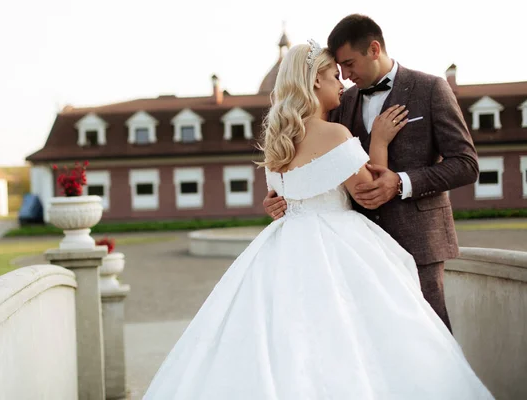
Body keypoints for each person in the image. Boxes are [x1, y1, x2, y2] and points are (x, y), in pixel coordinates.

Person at [143, 40, 493, 399]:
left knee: (289, 341)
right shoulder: (335, 134)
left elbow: (281, 195)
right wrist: (381, 142)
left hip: (282, 246)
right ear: (314, 82)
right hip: (337, 241)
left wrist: (275, 203)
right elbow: (368, 191)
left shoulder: (278, 139)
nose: (341, 84)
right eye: (332, 77)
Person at [263, 14, 479, 333]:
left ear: (374, 49)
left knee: (429, 335)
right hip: (350, 251)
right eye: (339, 70)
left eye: (349, 65)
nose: (346, 77)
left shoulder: (431, 89)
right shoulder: (339, 103)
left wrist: (402, 182)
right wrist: (279, 199)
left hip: (417, 240)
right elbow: (311, 156)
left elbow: (466, 164)